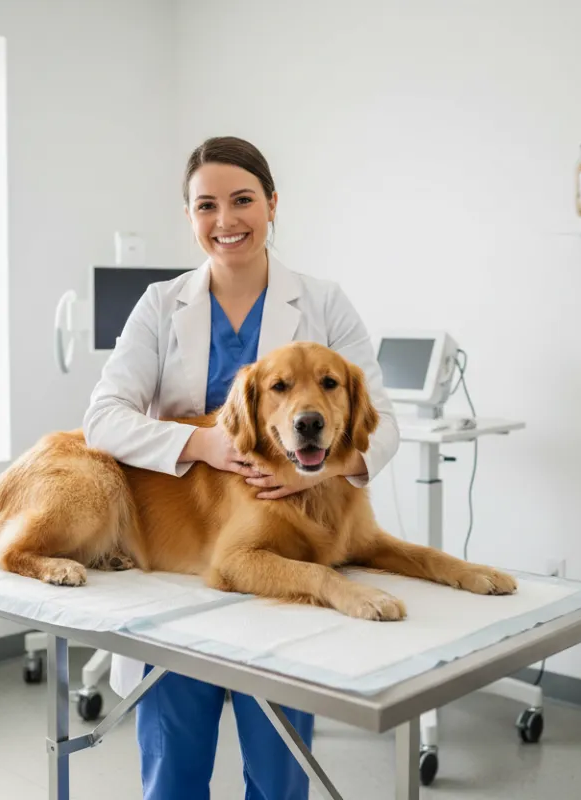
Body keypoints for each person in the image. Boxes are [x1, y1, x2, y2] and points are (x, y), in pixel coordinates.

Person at [82, 135, 399, 800]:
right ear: (191, 218)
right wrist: (201, 446)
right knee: (175, 765)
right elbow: (103, 419)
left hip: (282, 553)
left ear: (273, 204)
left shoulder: (323, 301)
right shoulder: (159, 305)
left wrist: (315, 473)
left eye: (242, 200)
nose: (226, 220)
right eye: (206, 206)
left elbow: (385, 424)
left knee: (280, 766)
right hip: (186, 557)